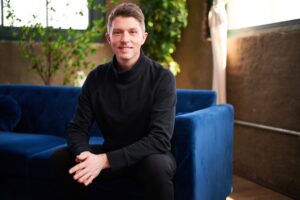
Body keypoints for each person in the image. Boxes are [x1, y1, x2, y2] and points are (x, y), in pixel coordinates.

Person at [50, 2, 177, 200]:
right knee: (60, 158)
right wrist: (86, 157)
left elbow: (159, 139)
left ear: (143, 38)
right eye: (118, 32)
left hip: (148, 157)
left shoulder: (162, 78)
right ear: (109, 38)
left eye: (132, 32)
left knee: (157, 166)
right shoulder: (96, 78)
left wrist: (103, 160)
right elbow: (77, 128)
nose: (125, 39)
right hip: (110, 152)